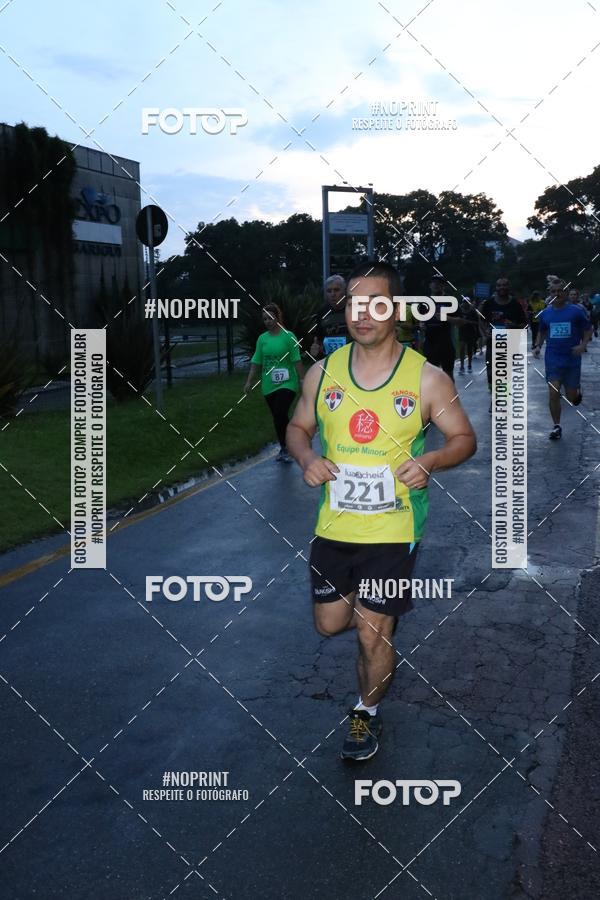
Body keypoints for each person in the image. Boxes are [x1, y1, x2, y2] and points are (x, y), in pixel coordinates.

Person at [287, 260, 477, 761]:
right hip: (334, 526)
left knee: (374, 631)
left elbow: (464, 439)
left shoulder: (427, 378)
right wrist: (307, 458)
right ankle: (380, 625)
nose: (362, 313)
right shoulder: (322, 371)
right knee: (331, 624)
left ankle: (365, 713)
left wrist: (433, 459)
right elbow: (297, 427)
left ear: (396, 310)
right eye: (353, 302)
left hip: (395, 527)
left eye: (376, 303)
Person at [533, 278, 593, 440]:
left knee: (572, 398)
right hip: (553, 358)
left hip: (572, 359)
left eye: (560, 291)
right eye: (553, 292)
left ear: (565, 293)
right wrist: (538, 346)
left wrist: (583, 345)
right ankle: (556, 426)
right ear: (550, 294)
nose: (557, 294)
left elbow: (588, 329)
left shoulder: (575, 311)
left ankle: (576, 390)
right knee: (553, 393)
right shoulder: (546, 313)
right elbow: (542, 331)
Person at [245, 304, 304, 462]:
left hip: (288, 382)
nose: (268, 321)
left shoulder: (288, 336)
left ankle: (288, 446)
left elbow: (296, 359)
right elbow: (256, 361)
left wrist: (302, 379)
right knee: (278, 417)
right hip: (268, 384)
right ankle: (286, 444)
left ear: (277, 317)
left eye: (270, 318)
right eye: (265, 319)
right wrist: (249, 381)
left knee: (280, 412)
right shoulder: (262, 339)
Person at [479, 277, 527, 412]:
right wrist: (484, 333)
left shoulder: (515, 305)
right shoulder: (489, 304)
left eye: (505, 285)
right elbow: (481, 321)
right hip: (492, 343)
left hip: (510, 343)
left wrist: (514, 326)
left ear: (509, 287)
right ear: (496, 287)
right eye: (499, 285)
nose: (502, 288)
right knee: (491, 373)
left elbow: (524, 325)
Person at [420, 275, 462, 380]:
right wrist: (421, 325)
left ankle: (451, 396)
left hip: (446, 342)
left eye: (439, 283)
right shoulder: (424, 302)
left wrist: (446, 318)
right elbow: (420, 321)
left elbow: (460, 321)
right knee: (430, 376)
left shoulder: (450, 301)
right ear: (430, 285)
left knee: (448, 374)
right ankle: (433, 396)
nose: (436, 285)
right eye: (433, 282)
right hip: (430, 343)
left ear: (444, 286)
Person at [310, 275, 348, 359]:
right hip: (330, 361)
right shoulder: (322, 313)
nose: (333, 294)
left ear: (345, 291)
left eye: (336, 290)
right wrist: (316, 348)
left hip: (353, 361)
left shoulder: (354, 310)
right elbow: (318, 340)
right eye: (329, 291)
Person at [457, 297, 478, 374]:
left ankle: (469, 365)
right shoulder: (460, 311)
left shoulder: (473, 312)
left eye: (467, 302)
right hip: (462, 332)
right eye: (464, 302)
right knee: (462, 348)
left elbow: (477, 323)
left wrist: (468, 322)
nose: (466, 303)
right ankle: (462, 366)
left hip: (471, 332)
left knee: (469, 349)